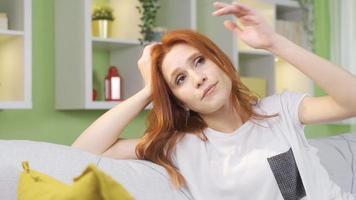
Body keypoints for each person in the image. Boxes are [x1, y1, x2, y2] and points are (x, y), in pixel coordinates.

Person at [72, 1, 356, 199]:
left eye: (199, 61)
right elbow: (81, 152)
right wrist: (149, 90)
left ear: (219, 62)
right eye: (180, 79)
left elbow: (351, 102)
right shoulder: (182, 146)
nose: (198, 78)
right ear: (179, 100)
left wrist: (275, 43)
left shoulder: (279, 110)